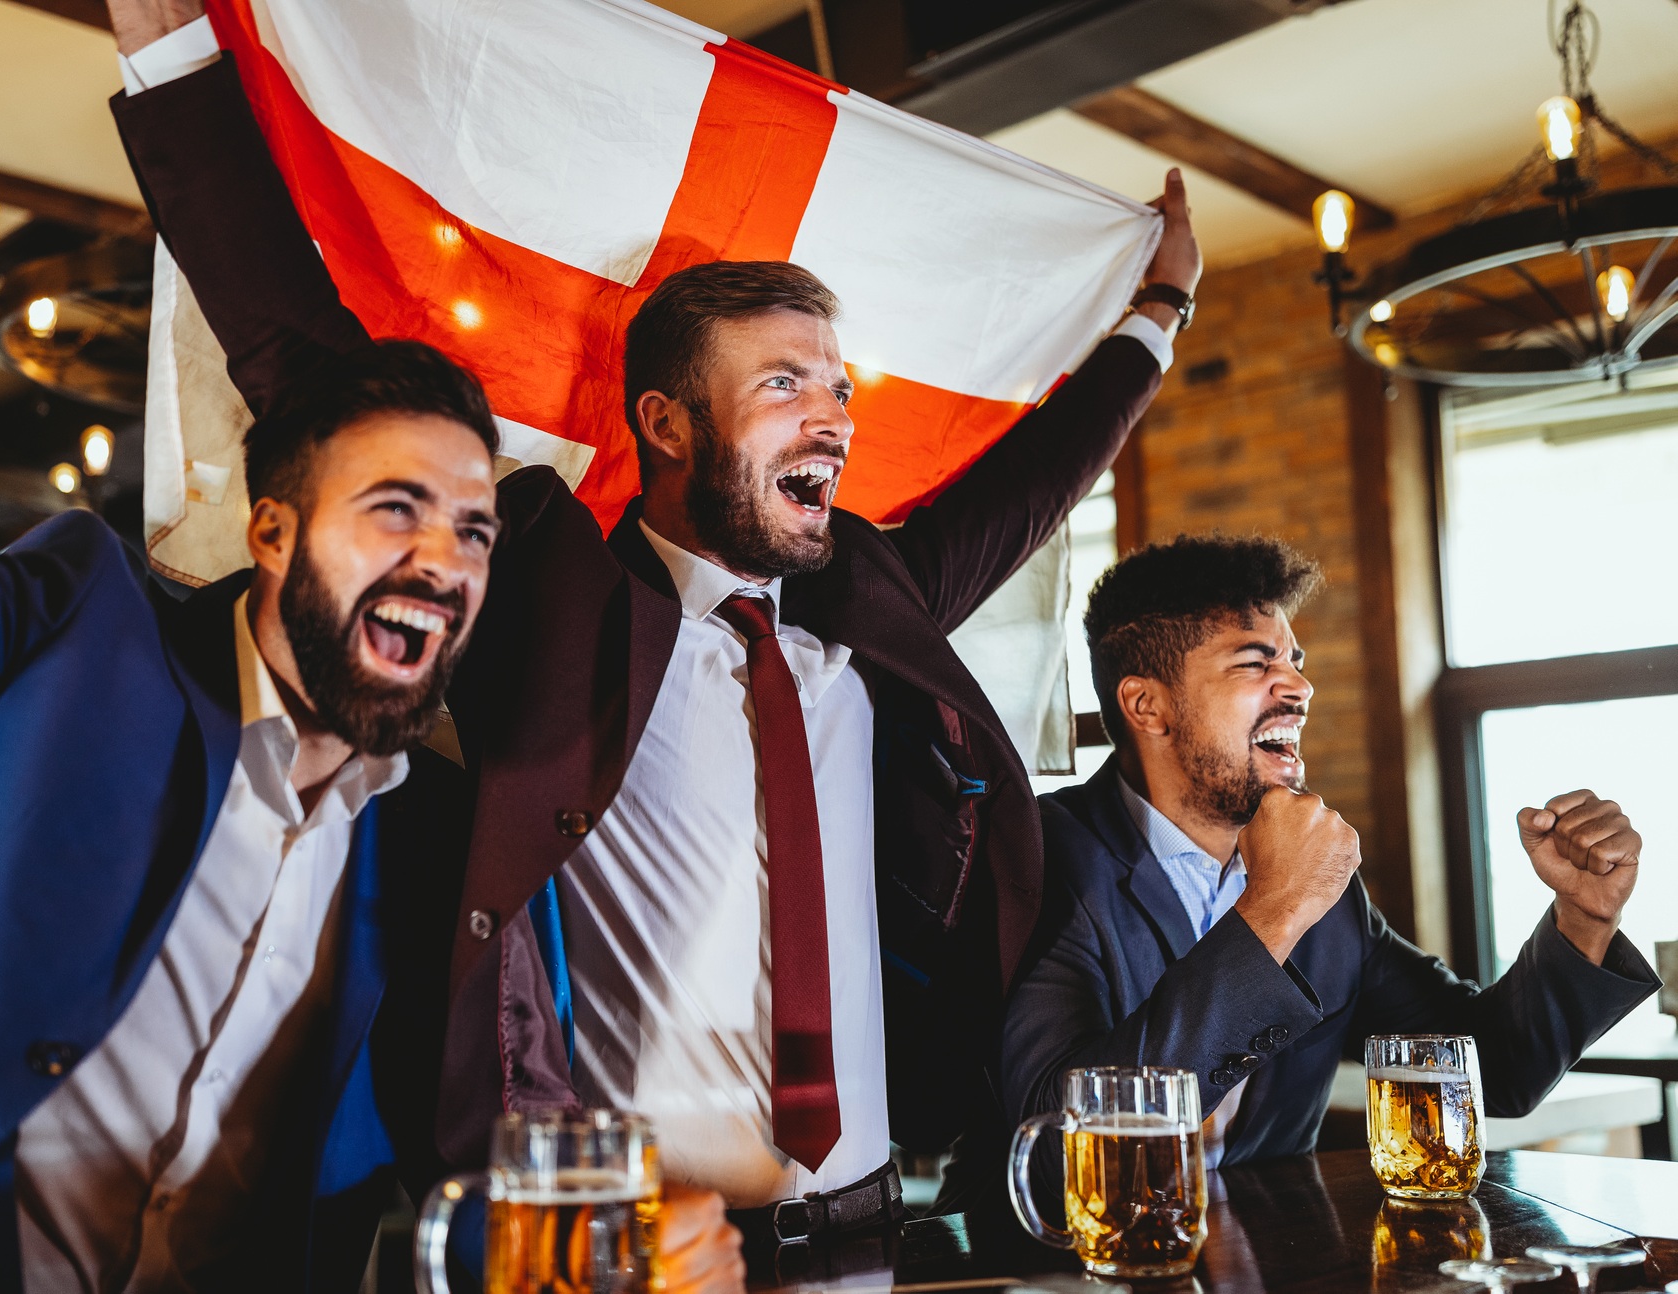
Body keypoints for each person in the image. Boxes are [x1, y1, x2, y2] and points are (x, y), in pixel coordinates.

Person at [101, 0, 1200, 1253]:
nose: (832, 417)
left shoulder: (867, 604)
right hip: (625, 1254)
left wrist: (1153, 319)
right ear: (668, 425)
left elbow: (1028, 487)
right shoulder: (542, 595)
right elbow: (299, 357)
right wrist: (172, 55)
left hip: (870, 1234)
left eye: (836, 388)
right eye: (783, 384)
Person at [0, 0, 747, 1286]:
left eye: (471, 529)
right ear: (276, 533)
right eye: (393, 509)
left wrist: (603, 1255)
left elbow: (430, 1189)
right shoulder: (65, 642)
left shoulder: (428, 849)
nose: (444, 558)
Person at [1002, 534, 1657, 1176]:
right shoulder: (1041, 855)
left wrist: (1583, 917)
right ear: (1148, 705)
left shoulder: (1326, 887)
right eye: (1256, 664)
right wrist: (1276, 910)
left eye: (1296, 660)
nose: (1299, 689)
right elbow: (1060, 1140)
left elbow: (1493, 1070)